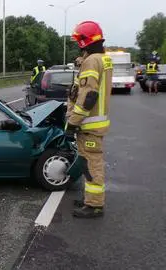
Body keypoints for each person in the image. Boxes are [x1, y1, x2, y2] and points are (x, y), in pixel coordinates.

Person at [66, 21, 112, 218]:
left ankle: (94, 205)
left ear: (85, 41)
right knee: (89, 162)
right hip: (96, 122)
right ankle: (90, 200)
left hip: (88, 123)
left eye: (79, 41)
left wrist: (73, 122)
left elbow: (88, 96)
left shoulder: (92, 61)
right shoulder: (103, 58)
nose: (78, 45)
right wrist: (81, 61)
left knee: (92, 164)